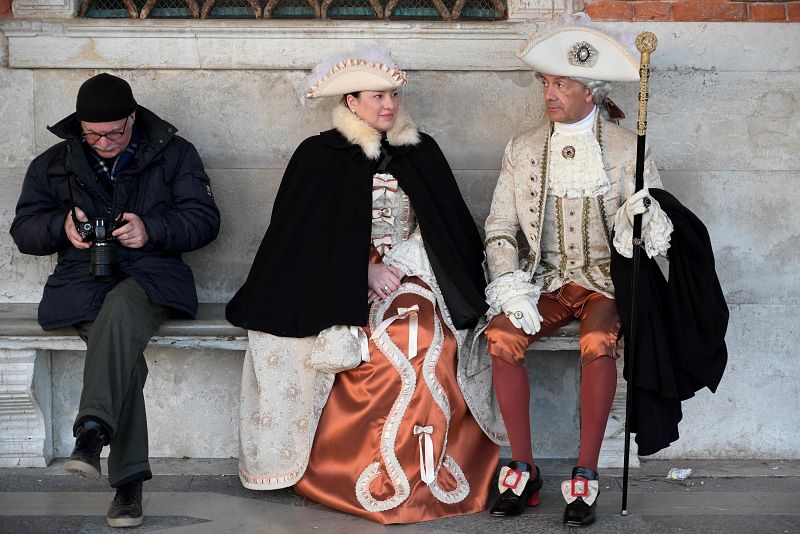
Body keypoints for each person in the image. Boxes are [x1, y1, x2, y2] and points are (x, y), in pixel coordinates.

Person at [225, 44, 500, 524]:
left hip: (413, 271)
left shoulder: (421, 150)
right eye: (377, 97)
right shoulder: (317, 155)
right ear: (350, 102)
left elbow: (444, 227)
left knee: (423, 337)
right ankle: (351, 470)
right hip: (336, 278)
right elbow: (299, 238)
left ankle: (427, 473)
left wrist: (407, 262)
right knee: (364, 342)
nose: (389, 105)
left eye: (393, 95)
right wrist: (358, 271)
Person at [481, 21, 673, 526]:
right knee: (501, 335)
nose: (549, 93)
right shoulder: (522, 148)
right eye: (545, 83)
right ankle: (523, 468)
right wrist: (509, 285)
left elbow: (658, 231)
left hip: (607, 282)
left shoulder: (626, 148)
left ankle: (585, 473)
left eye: (560, 84)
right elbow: (500, 227)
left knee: (597, 342)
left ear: (591, 91)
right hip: (545, 280)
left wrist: (644, 216)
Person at [10, 73, 220, 528]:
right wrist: (60, 227)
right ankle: (126, 485)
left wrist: (152, 229)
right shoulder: (53, 163)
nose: (103, 141)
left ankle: (91, 432)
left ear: (132, 118)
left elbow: (204, 221)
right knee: (126, 356)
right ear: (79, 126)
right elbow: (23, 229)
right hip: (81, 284)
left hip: (154, 279)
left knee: (122, 311)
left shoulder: (175, 154)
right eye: (92, 133)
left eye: (114, 132)